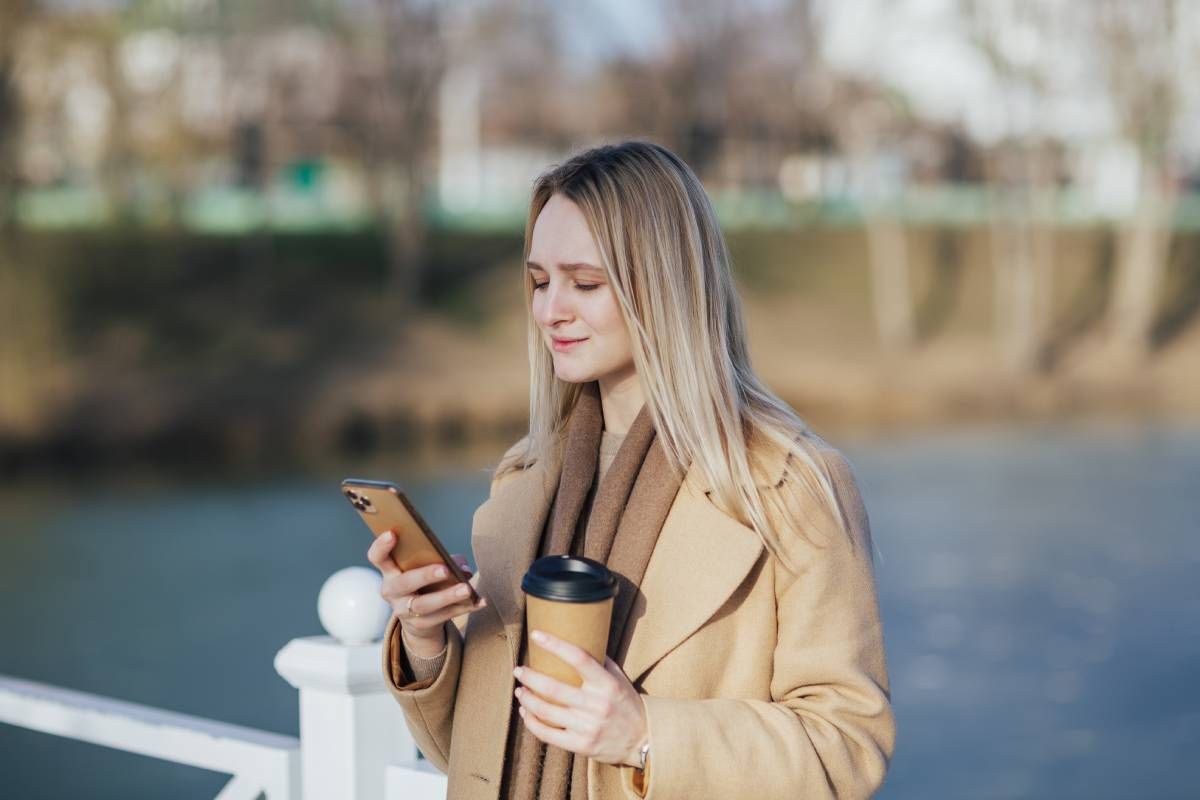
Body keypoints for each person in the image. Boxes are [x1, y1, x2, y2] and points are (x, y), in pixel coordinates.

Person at [366, 140, 895, 800]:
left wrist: (647, 735)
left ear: (666, 286)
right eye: (538, 280)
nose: (550, 310)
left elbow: (848, 746)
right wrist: (427, 639)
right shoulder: (525, 480)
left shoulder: (789, 485)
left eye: (585, 283)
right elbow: (479, 759)